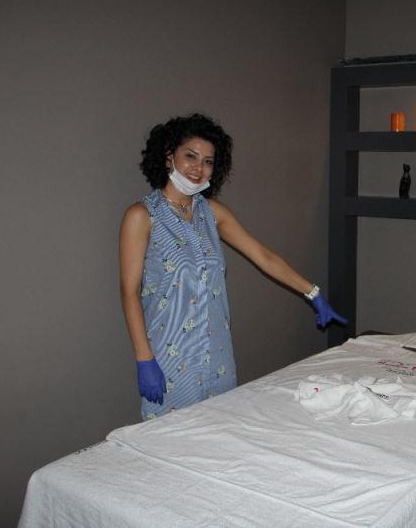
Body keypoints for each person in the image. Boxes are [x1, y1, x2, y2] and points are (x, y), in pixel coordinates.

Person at [119, 113, 346, 420]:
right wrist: (144, 358)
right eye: (190, 156)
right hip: (170, 357)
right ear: (169, 156)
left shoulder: (212, 212)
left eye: (208, 161)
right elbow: (129, 291)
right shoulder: (142, 216)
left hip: (218, 356)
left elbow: (263, 256)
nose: (199, 168)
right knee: (171, 439)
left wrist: (313, 293)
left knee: (221, 431)